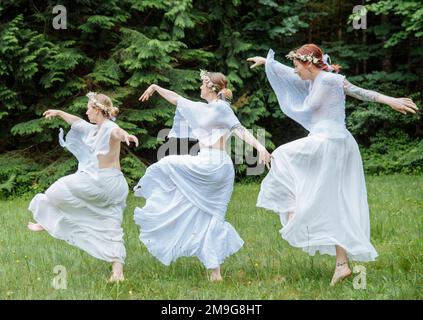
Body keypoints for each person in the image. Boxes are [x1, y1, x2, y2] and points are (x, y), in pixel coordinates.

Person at [248, 44, 418, 285]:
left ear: (309, 63)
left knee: (281, 155)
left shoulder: (329, 80)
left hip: (332, 141)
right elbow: (288, 73)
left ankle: (294, 210)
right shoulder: (311, 80)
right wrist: (268, 63)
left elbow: (360, 92)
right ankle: (341, 265)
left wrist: (391, 100)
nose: (295, 72)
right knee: (333, 201)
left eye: (298, 66)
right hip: (326, 141)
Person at [135, 70, 272, 281]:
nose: (199, 87)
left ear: (210, 87)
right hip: (219, 167)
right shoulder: (206, 108)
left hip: (211, 164)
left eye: (202, 84)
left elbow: (239, 129)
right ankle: (214, 272)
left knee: (167, 164)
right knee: (210, 217)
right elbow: (177, 99)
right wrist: (155, 87)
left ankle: (155, 195)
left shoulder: (221, 108)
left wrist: (260, 147)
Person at [27, 92, 139, 282]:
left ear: (97, 110)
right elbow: (76, 122)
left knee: (56, 191)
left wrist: (126, 135)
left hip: (103, 182)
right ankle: (117, 273)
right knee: (112, 225)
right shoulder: (92, 129)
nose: (86, 111)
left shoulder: (109, 126)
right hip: (115, 185)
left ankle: (50, 221)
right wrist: (59, 112)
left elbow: (117, 132)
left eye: (89, 108)